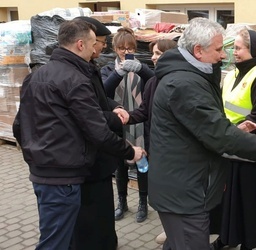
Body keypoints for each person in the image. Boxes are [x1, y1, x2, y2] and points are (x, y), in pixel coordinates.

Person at [148, 17, 256, 250]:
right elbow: (219, 134)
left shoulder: (191, 75)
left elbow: (209, 127)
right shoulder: (185, 84)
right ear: (198, 51)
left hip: (185, 186)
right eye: (218, 50)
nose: (224, 55)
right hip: (184, 194)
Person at [12, 19, 144, 250]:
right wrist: (130, 151)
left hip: (42, 173)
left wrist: (36, 154)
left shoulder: (37, 74)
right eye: (95, 43)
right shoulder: (74, 79)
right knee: (55, 242)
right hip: (64, 176)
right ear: (81, 44)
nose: (98, 48)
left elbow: (19, 125)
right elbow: (97, 132)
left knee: (58, 235)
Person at [210, 28, 256, 250]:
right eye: (233, 48)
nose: (234, 53)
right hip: (229, 147)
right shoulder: (232, 74)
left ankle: (247, 243)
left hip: (249, 151)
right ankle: (227, 238)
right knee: (228, 201)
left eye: (238, 48)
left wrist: (233, 131)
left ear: (253, 50)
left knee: (247, 202)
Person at [70, 16, 129, 250]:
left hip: (98, 163)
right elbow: (87, 116)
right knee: (89, 218)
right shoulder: (74, 74)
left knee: (102, 214)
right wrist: (113, 117)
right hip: (86, 162)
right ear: (84, 41)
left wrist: (113, 105)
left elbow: (98, 99)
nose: (102, 46)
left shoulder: (87, 66)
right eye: (100, 42)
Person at [117, 39, 177, 232]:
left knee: (174, 193)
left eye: (158, 53)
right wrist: (127, 117)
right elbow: (143, 111)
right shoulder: (151, 82)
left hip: (174, 150)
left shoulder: (177, 81)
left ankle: (176, 234)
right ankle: (169, 231)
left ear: (169, 55)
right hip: (156, 147)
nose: (153, 57)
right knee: (163, 194)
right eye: (153, 53)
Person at [101, 27, 155, 222]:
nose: (126, 51)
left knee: (141, 161)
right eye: (122, 48)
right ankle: (122, 202)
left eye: (130, 47)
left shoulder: (142, 68)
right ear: (115, 48)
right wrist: (118, 73)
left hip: (139, 123)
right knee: (120, 165)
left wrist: (141, 69)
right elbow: (103, 92)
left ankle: (143, 203)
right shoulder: (108, 69)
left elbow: (155, 82)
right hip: (117, 124)